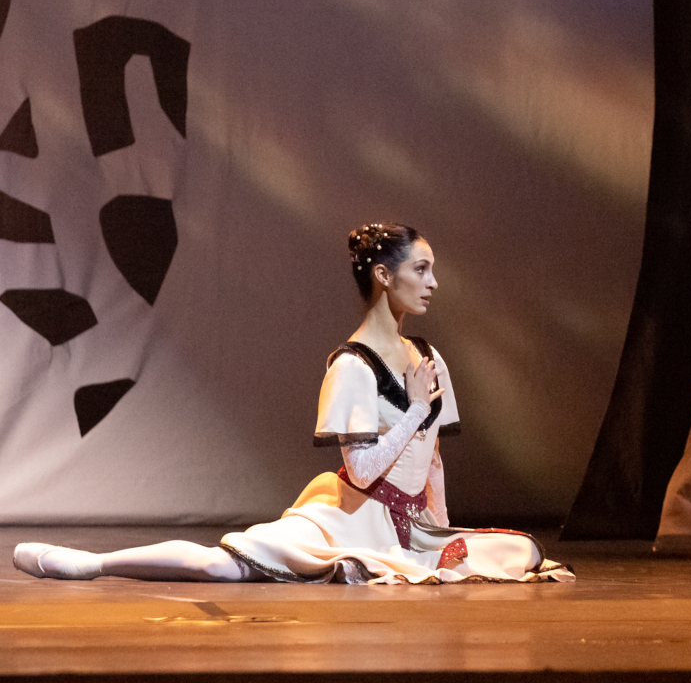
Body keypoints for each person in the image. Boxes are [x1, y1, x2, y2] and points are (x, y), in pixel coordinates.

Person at [14, 223, 574, 584]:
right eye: (420, 270)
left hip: (408, 524)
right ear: (384, 276)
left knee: (522, 552)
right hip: (351, 514)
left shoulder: (428, 357)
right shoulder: (352, 366)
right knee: (229, 564)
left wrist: (438, 534)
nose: (433, 283)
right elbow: (363, 469)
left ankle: (418, 551)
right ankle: (96, 564)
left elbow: (431, 460)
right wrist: (410, 412)